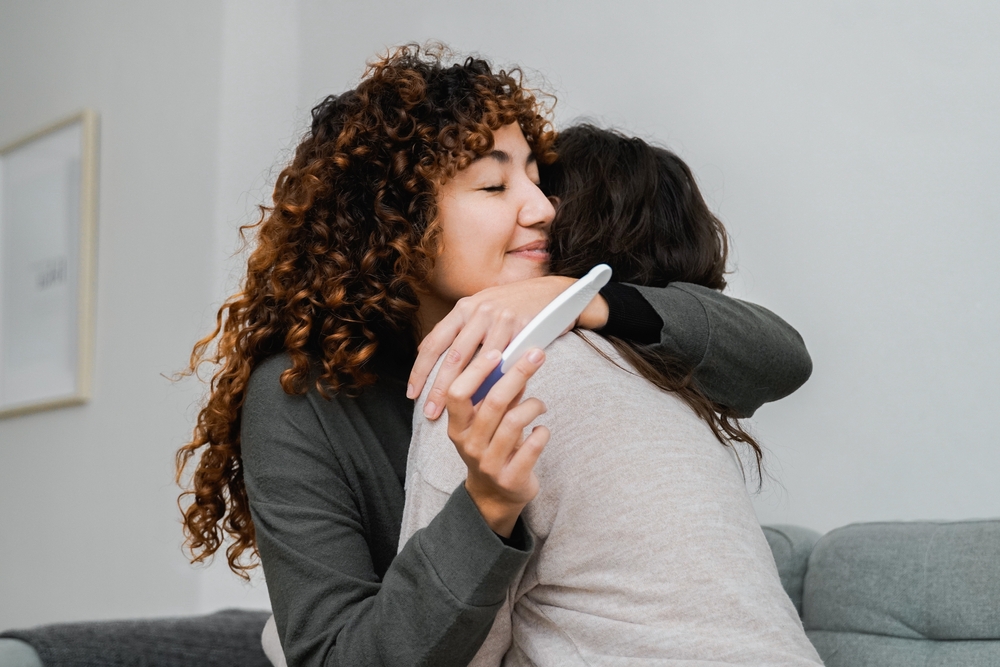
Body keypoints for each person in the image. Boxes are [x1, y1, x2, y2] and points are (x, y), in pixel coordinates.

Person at [176, 45, 811, 667]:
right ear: (395, 221)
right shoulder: (299, 399)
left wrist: (577, 295)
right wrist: (485, 508)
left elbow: (779, 356)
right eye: (494, 185)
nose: (542, 209)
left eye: (536, 179)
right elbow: (330, 650)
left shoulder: (554, 347)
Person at [399, 125, 822, 665]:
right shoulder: (665, 383)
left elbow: (446, 649)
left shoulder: (493, 373)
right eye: (498, 187)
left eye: (538, 190)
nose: (533, 210)